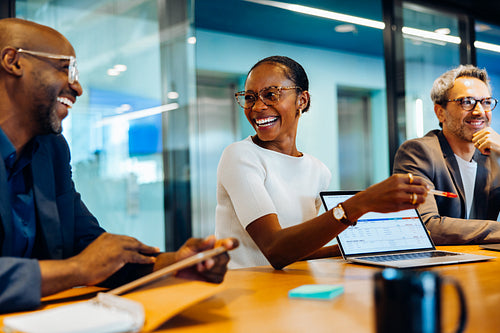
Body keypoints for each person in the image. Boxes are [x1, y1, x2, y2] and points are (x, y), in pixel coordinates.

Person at [0, 18, 237, 314]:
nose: (77, 87)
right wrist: (77, 270)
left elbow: (90, 248)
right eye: (65, 68)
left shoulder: (50, 151)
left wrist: (175, 263)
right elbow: (84, 264)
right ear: (13, 61)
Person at [215, 55, 429, 269]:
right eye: (250, 97)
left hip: (288, 291)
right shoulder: (240, 156)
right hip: (245, 291)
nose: (257, 107)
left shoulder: (318, 170)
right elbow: (275, 250)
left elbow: (295, 249)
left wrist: (360, 247)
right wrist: (362, 202)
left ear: (302, 100)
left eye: (271, 95)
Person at [393, 64, 500, 245]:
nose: (479, 111)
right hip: (439, 265)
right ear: (440, 112)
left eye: (486, 102)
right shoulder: (418, 153)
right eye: (466, 102)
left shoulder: (493, 157)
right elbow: (425, 226)